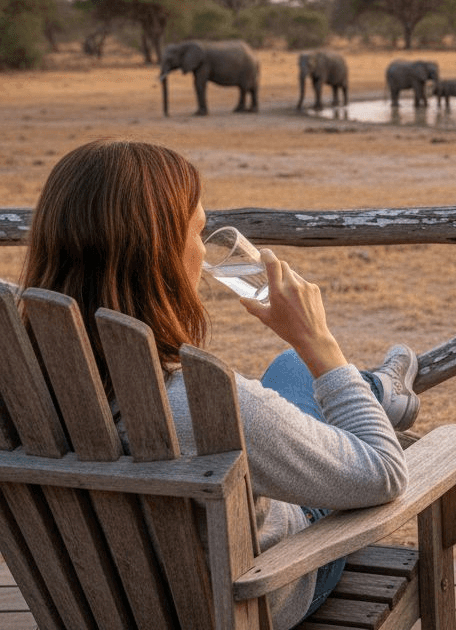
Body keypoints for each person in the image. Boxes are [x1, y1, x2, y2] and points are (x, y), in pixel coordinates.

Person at [20, 139, 423, 629]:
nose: (203, 250)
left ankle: (378, 391)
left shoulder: (22, 383)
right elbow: (382, 473)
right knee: (299, 364)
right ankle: (379, 393)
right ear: (160, 253)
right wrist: (318, 341)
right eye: (198, 231)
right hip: (256, 591)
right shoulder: (204, 403)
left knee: (287, 373)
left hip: (90, 602)